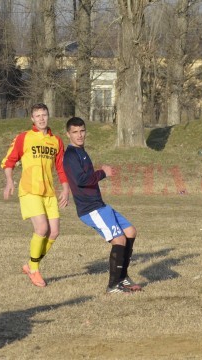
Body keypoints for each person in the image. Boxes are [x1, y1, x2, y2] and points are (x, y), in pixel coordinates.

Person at [63, 117, 141, 294]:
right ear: (68, 134)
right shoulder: (71, 156)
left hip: (100, 205)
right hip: (90, 209)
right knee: (119, 239)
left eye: (82, 131)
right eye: (75, 132)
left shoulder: (81, 151)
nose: (79, 135)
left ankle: (123, 277)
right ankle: (114, 285)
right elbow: (81, 180)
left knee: (130, 231)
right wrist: (102, 172)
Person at [1, 103, 69, 287]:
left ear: (48, 116)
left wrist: (65, 189)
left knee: (54, 232)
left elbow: (61, 168)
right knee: (42, 229)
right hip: (30, 190)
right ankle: (34, 270)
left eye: (44, 115)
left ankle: (31, 264)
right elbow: (9, 162)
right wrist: (9, 181)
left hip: (49, 192)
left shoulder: (56, 141)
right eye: (37, 115)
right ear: (32, 118)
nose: (41, 118)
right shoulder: (24, 138)